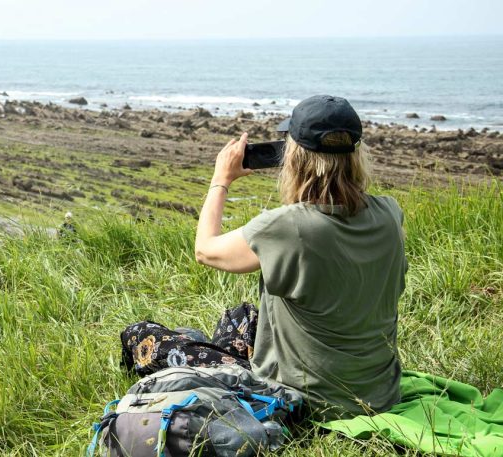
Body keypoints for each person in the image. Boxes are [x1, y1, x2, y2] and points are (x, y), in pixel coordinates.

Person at [121, 95, 407, 420]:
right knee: (240, 317)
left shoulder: (288, 226)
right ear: (356, 155)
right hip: (380, 392)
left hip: (306, 401)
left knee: (140, 335)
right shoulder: (389, 212)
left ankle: (197, 357)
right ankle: (205, 348)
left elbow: (205, 249)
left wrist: (221, 179)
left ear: (294, 157)